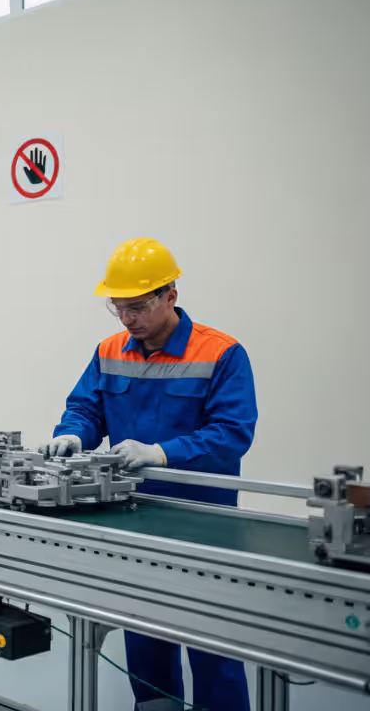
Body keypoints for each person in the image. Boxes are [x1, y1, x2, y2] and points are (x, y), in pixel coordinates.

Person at [39, 237, 257, 711]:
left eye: (135, 307)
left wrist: (161, 453)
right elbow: (85, 408)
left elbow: (231, 434)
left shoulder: (221, 353)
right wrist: (74, 434)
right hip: (132, 520)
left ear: (170, 297)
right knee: (145, 642)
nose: (126, 318)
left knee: (213, 648)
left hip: (204, 526)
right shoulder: (110, 349)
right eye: (117, 307)